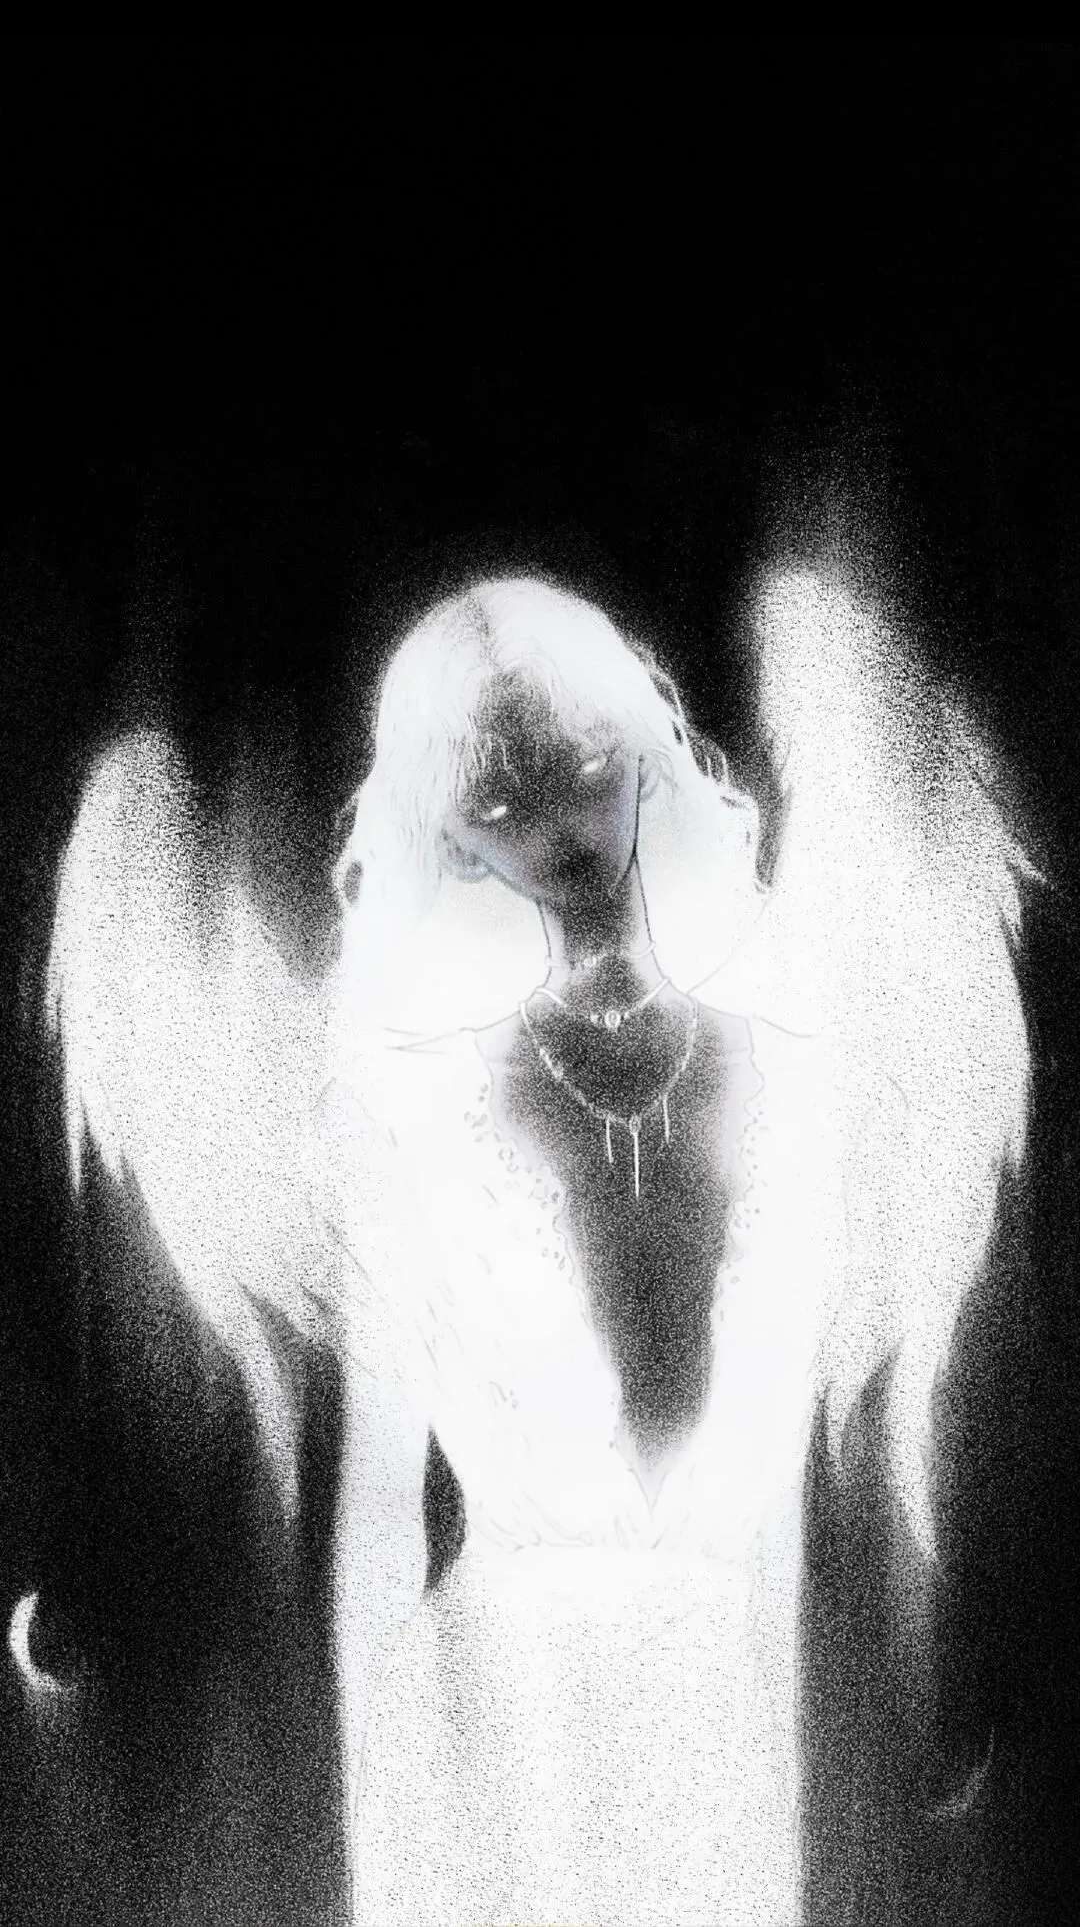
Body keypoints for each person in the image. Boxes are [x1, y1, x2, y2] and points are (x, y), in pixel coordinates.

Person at [325, 578, 850, 1927]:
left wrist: (796, 1816)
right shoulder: (415, 1109)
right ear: (444, 833)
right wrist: (382, 1846)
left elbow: (791, 1514)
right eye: (499, 799)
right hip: (505, 1741)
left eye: (584, 767)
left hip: (724, 1737)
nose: (559, 828)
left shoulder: (789, 1068)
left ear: (644, 761)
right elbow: (377, 1517)